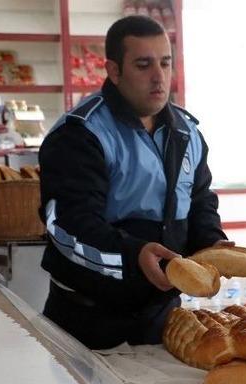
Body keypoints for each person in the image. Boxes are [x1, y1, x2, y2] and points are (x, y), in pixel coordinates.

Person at [38, 15, 227, 349]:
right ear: (113, 71)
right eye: (143, 65)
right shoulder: (80, 134)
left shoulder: (187, 133)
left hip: (163, 318)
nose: (159, 78)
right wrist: (132, 255)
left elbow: (200, 203)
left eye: (165, 63)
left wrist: (212, 243)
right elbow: (66, 227)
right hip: (86, 322)